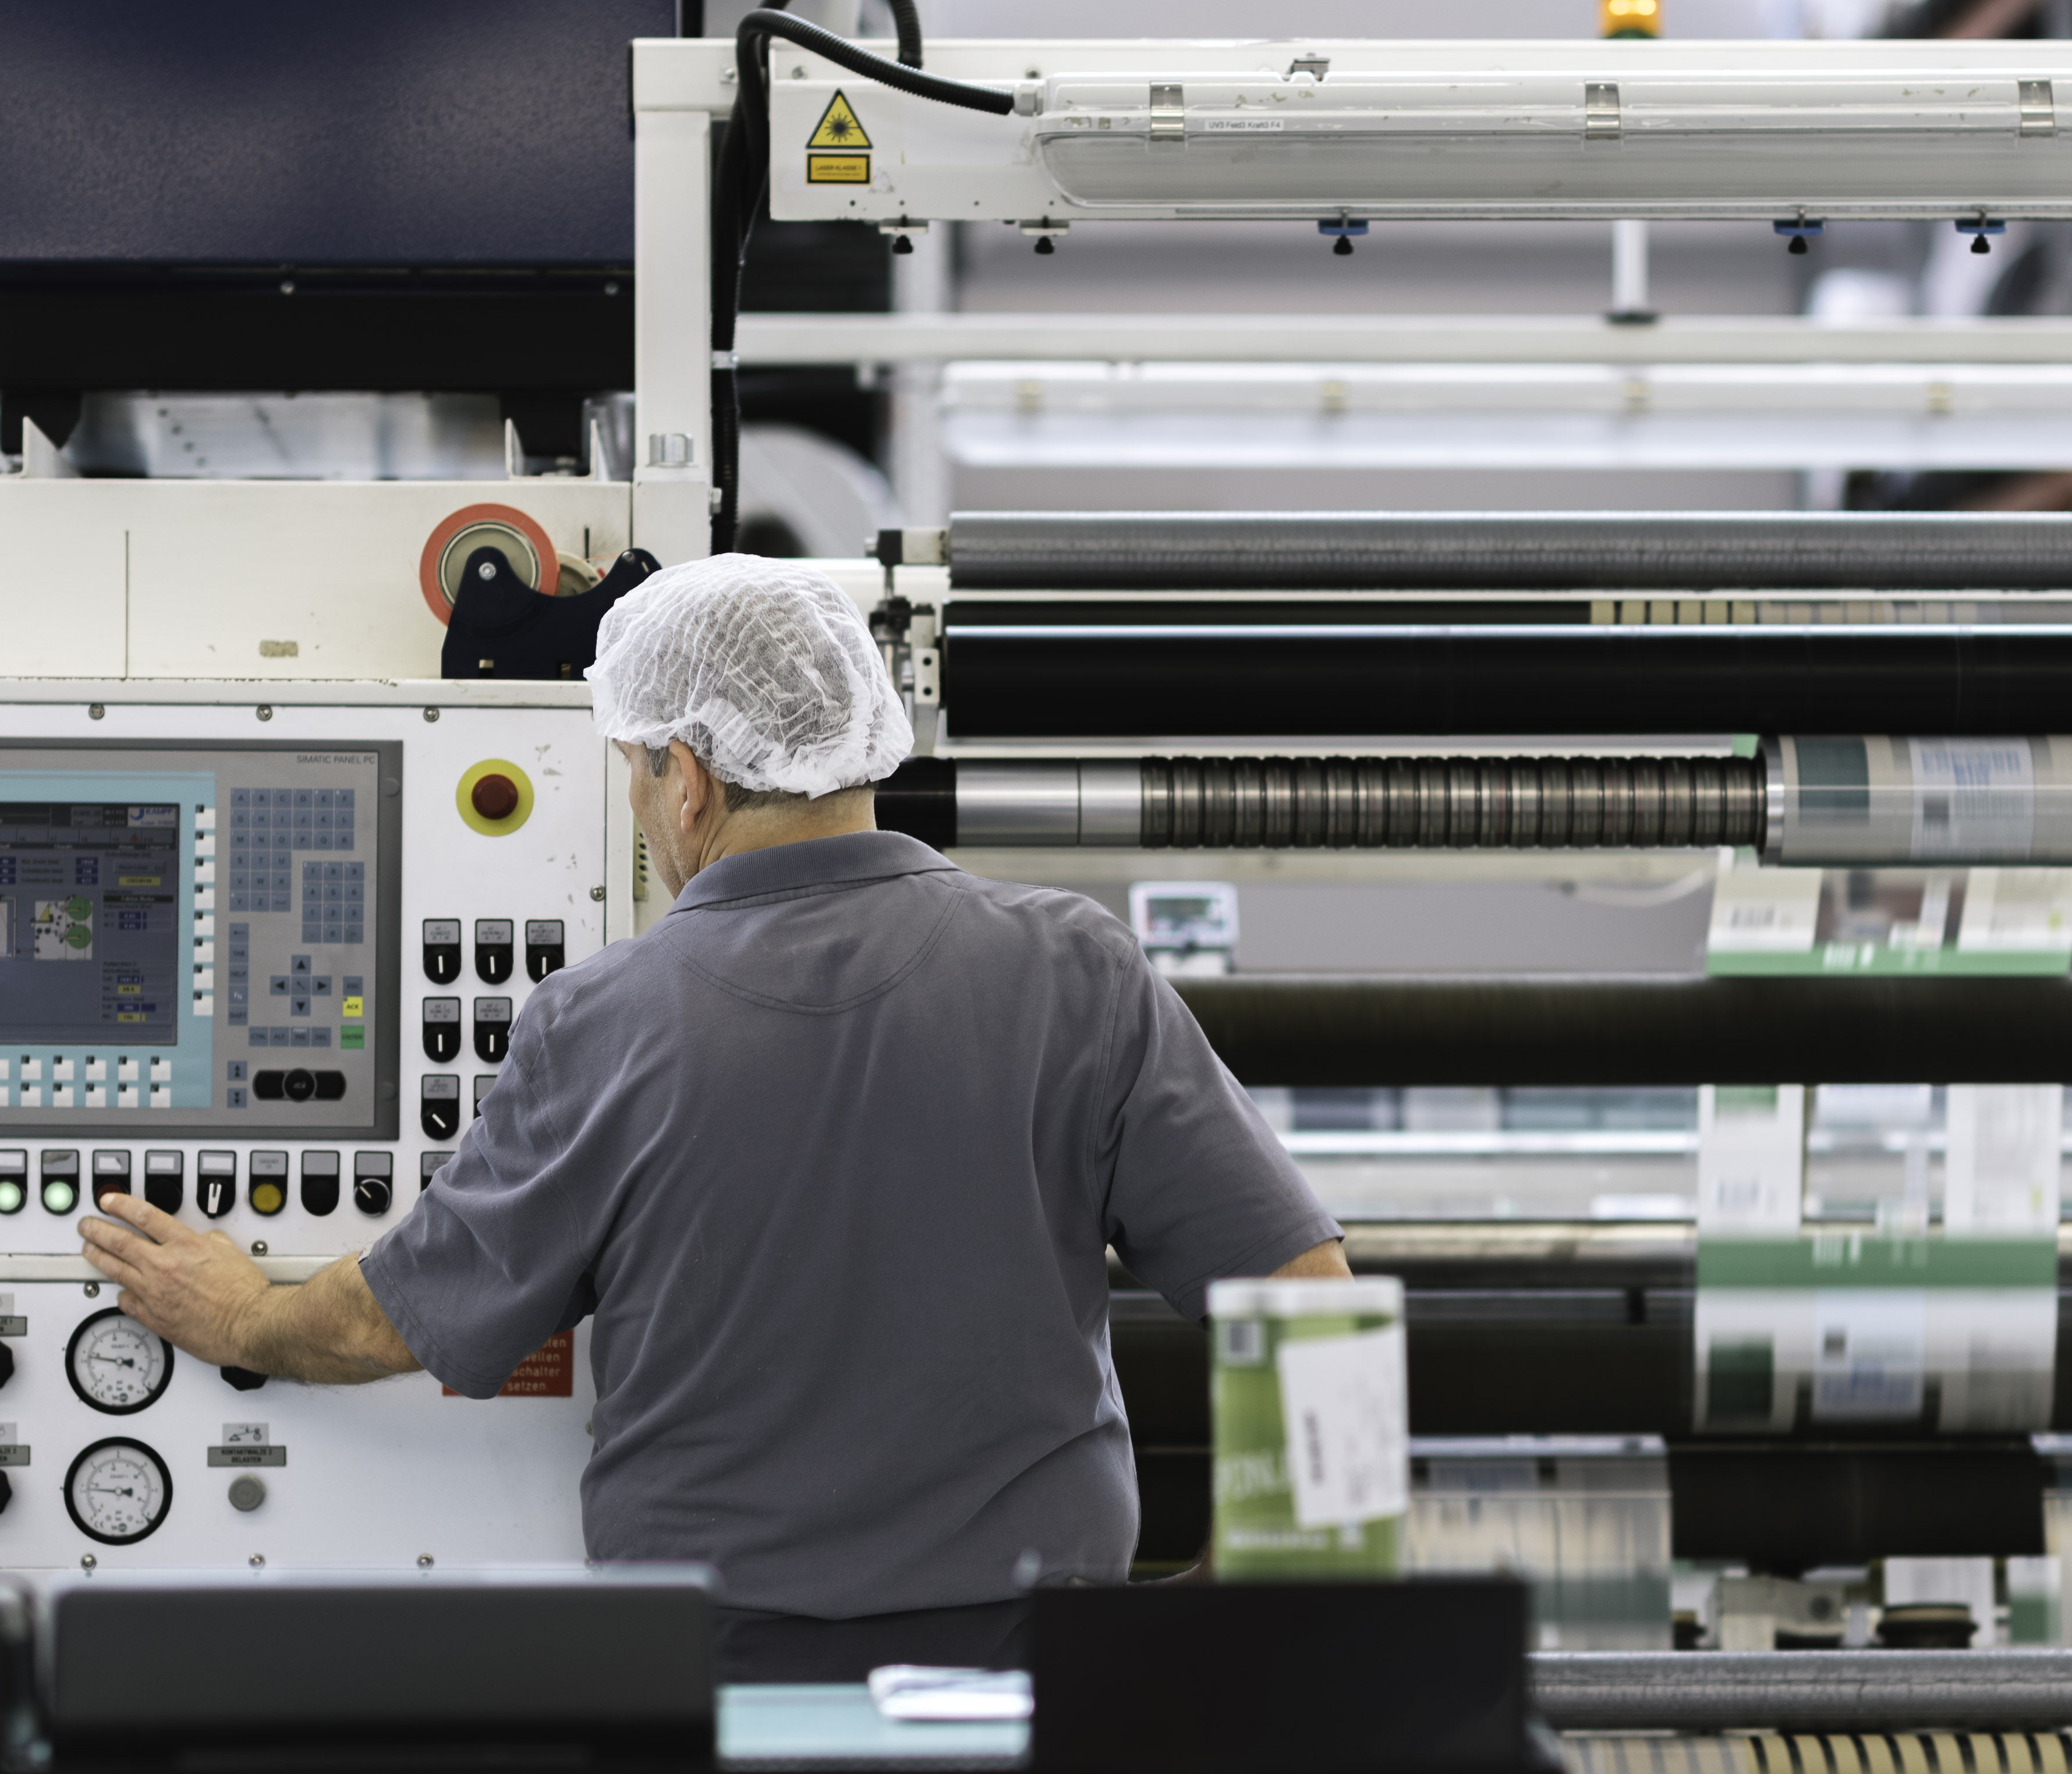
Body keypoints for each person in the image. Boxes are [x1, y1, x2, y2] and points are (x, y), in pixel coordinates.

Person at [79, 554, 1345, 1681]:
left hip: (725, 1680)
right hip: (1033, 1677)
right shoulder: (1076, 969)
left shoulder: (605, 1020)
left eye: (630, 774)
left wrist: (243, 1313)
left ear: (682, 780)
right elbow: (1306, 1291)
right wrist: (1251, 1594)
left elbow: (392, 1320)